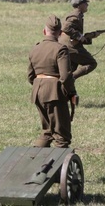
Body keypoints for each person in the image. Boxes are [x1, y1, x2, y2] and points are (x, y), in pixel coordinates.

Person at [27, 15, 77, 148]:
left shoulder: (35, 49)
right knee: (62, 136)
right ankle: (58, 167)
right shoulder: (60, 49)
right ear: (60, 33)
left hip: (37, 92)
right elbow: (65, 76)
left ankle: (36, 160)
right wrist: (71, 93)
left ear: (44, 31)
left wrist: (40, 86)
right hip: (54, 93)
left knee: (47, 131)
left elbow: (30, 76)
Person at [59, 0, 99, 79]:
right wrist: (79, 36)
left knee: (71, 69)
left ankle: (66, 84)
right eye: (85, 3)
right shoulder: (75, 15)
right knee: (91, 63)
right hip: (71, 47)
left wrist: (89, 36)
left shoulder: (77, 15)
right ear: (79, 5)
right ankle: (70, 79)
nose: (87, 5)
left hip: (67, 46)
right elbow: (66, 28)